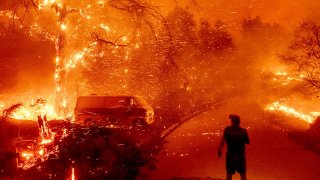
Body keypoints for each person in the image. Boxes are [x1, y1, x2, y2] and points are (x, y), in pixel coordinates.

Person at [218, 114, 250, 180]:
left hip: (231, 155)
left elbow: (223, 140)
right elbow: (248, 142)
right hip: (241, 155)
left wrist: (219, 149)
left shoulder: (228, 129)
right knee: (243, 174)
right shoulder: (243, 131)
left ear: (232, 121)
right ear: (239, 122)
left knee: (229, 173)